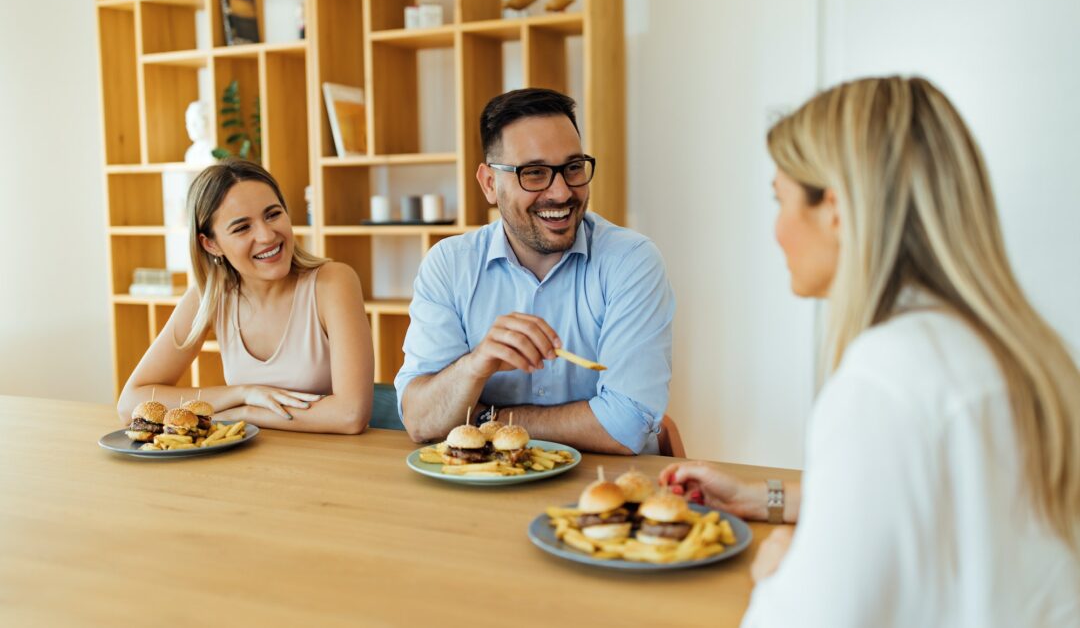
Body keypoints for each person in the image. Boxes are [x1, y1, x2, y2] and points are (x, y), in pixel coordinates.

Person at [663, 76, 1080, 625]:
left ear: (834, 209)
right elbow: (927, 503)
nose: (777, 229)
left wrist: (780, 575)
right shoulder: (1012, 349)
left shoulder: (886, 380)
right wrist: (760, 498)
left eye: (779, 199)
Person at [395, 88, 675, 454]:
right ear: (490, 184)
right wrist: (476, 365)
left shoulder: (632, 261)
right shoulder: (449, 265)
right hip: (484, 492)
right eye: (535, 173)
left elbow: (626, 425)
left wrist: (485, 420)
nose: (561, 193)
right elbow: (421, 421)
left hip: (606, 490)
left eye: (573, 168)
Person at [117, 159, 374, 433]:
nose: (266, 236)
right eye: (242, 228)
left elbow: (350, 414)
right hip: (248, 464)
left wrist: (245, 412)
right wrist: (243, 393)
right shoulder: (209, 297)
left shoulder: (333, 282)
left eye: (273, 214)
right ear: (211, 244)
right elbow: (130, 403)